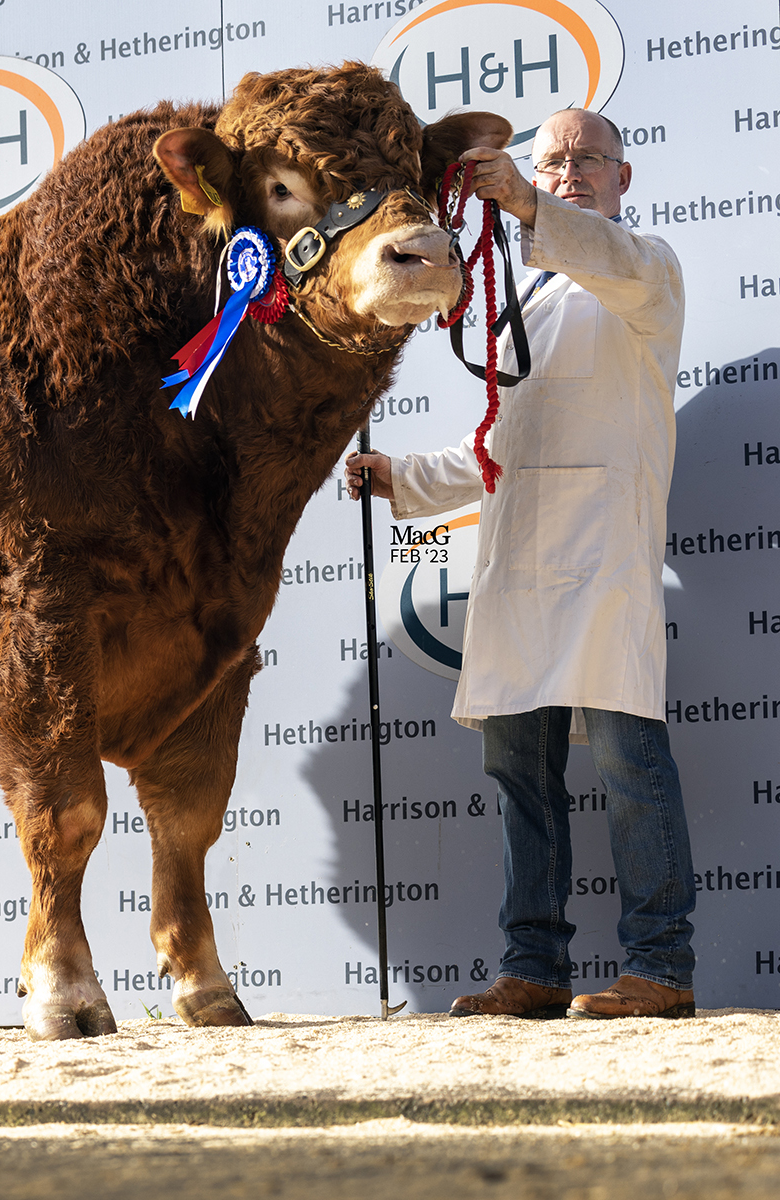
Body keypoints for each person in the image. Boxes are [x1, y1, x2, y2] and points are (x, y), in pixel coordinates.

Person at [345, 109, 694, 1020]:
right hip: (516, 564)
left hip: (604, 553)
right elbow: (497, 445)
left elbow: (602, 259)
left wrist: (531, 202)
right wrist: (404, 477)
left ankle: (662, 966)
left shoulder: (648, 268)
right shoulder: (522, 300)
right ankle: (533, 967)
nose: (571, 168)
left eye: (589, 158)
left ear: (625, 175)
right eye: (553, 159)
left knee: (630, 765)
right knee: (521, 778)